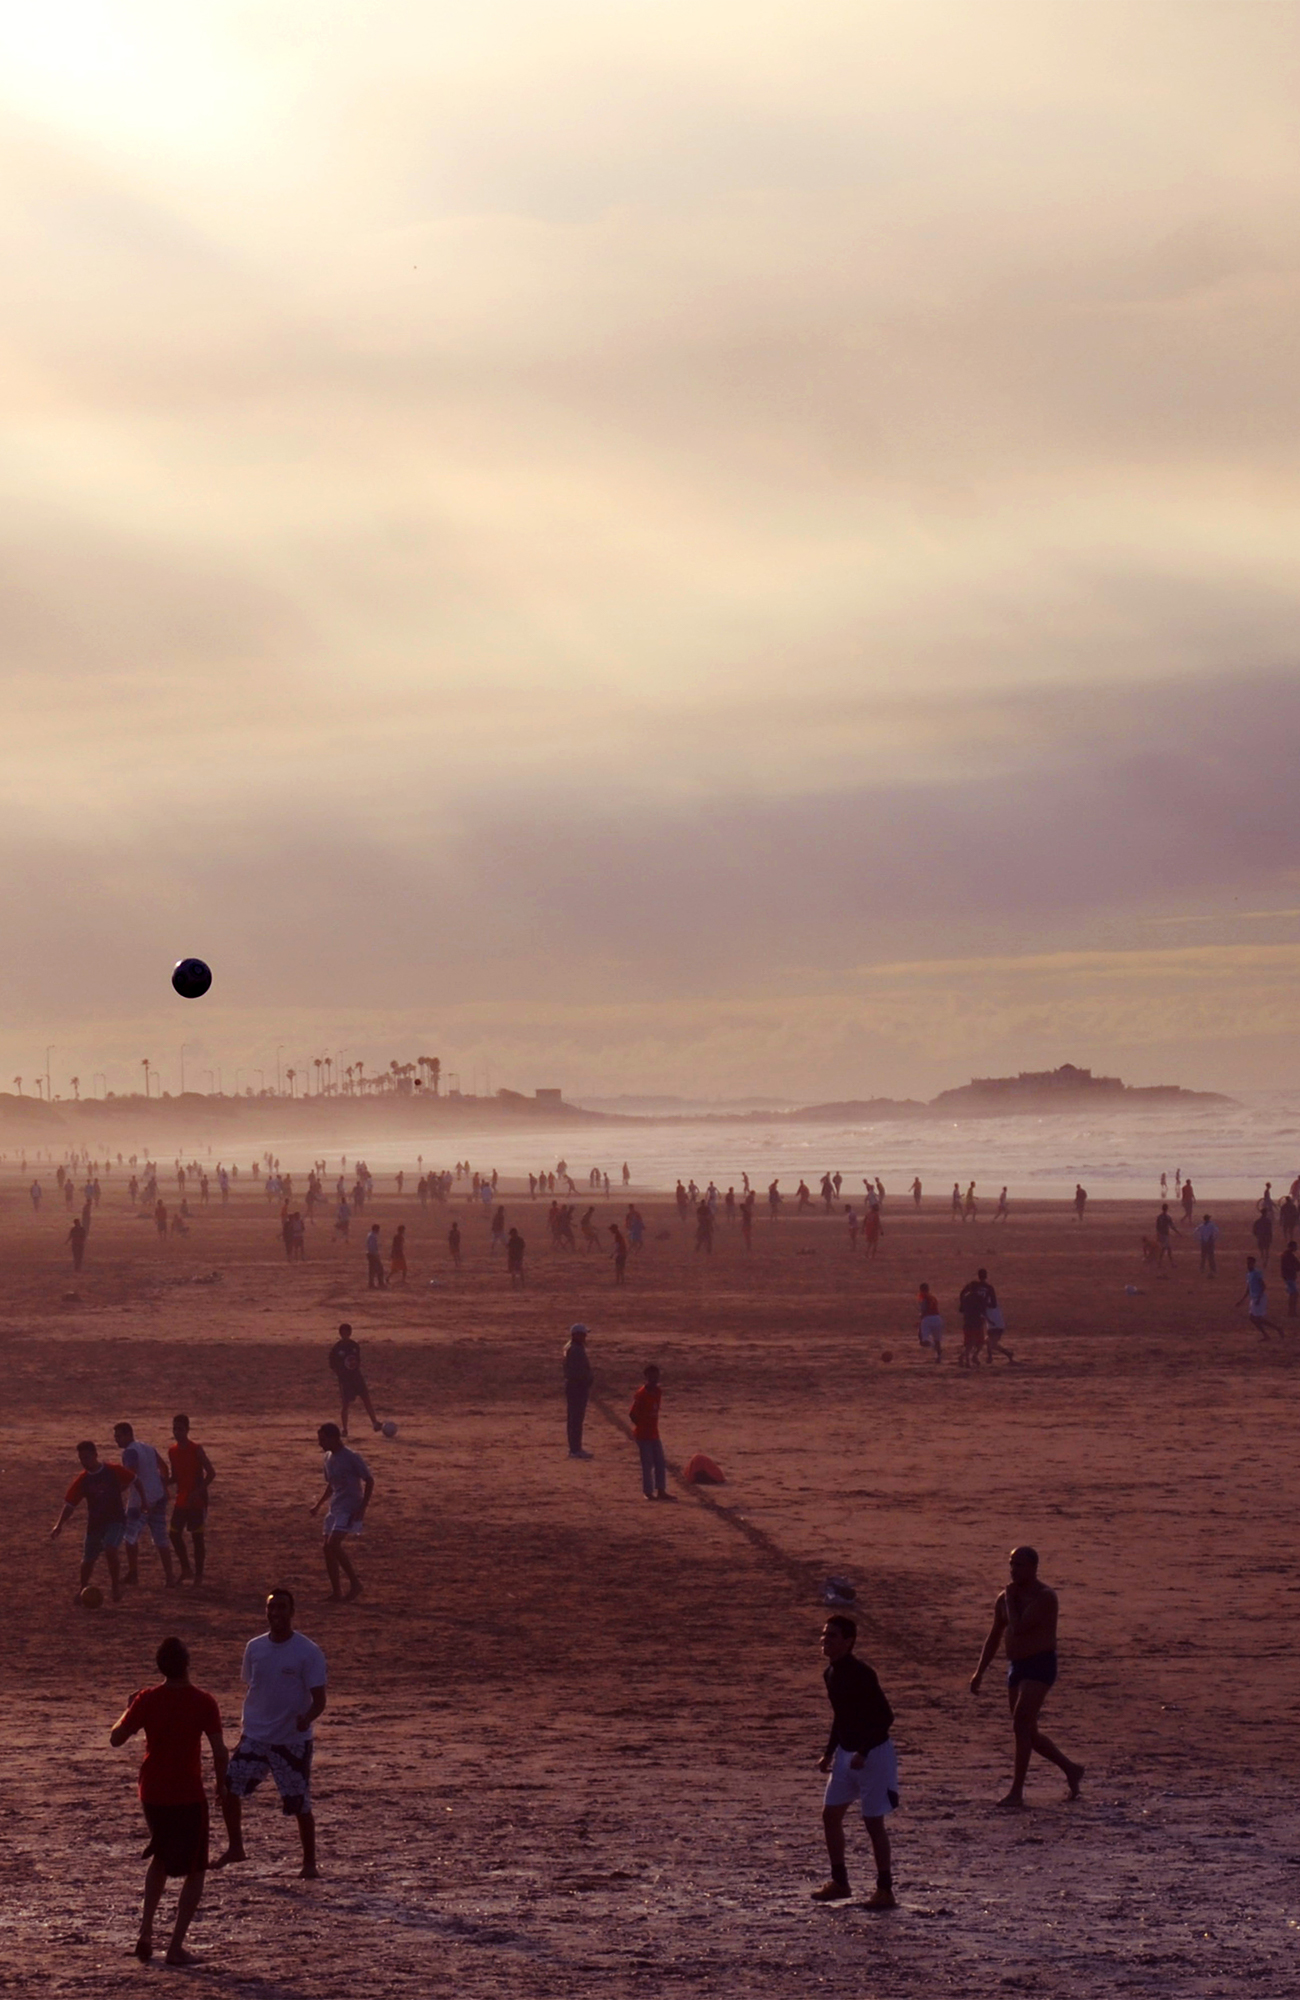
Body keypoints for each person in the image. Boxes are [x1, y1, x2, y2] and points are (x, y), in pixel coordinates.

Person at [110, 1636, 228, 1965]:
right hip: (187, 1793)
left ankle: (146, 1932)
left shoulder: (147, 1699)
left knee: (161, 1857)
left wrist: (129, 1708)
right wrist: (221, 1786)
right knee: (196, 1869)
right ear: (187, 1664)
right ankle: (175, 1947)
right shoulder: (204, 1701)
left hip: (152, 1792)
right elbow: (220, 1751)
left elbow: (116, 1739)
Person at [215, 1590, 327, 1879]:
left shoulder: (308, 1651)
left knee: (299, 1802)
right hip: (255, 1736)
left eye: (281, 1607)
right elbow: (254, 1686)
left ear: (292, 1611)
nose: (275, 1613)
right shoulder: (254, 1648)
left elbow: (319, 1700)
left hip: (291, 1740)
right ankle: (236, 1847)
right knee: (228, 1788)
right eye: (271, 1607)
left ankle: (309, 1862)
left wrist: (306, 1719)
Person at [970, 1546, 1083, 1807]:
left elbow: (1019, 1627)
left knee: (1021, 1723)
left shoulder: (1044, 1597)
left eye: (1019, 1565)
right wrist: (980, 1671)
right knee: (1028, 1732)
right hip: (1016, 1666)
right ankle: (1071, 1768)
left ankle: (1016, 1792)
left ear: (1033, 1567)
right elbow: (995, 1636)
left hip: (1040, 1665)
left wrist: (1010, 1599)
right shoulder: (1005, 1598)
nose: (1013, 1570)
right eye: (1011, 1564)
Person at [811, 1614, 898, 1907]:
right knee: (830, 1816)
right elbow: (841, 1716)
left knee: (873, 1822)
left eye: (832, 1635)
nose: (825, 1640)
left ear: (848, 1642)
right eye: (824, 1634)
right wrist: (829, 1752)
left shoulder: (862, 1674)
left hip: (874, 1755)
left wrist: (864, 1750)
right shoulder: (830, 1673)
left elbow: (885, 1717)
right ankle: (840, 1882)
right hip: (846, 1755)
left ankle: (885, 1890)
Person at [51, 1440, 135, 1603]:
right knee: (88, 1560)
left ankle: (115, 1586)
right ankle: (82, 1587)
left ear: (96, 1455)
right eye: (81, 1459)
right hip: (95, 1523)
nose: (84, 1462)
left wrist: (144, 1501)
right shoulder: (83, 1480)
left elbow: (134, 1479)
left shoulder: (112, 1470)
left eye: (87, 1458)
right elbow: (70, 1504)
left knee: (111, 1550)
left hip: (116, 1520)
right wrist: (59, 1525)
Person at [309, 1423, 373, 1600]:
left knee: (333, 1544)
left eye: (323, 1439)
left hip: (350, 1506)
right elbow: (332, 1485)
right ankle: (336, 1591)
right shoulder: (328, 1458)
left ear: (335, 1438)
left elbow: (369, 1481)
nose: (320, 1443)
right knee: (327, 1548)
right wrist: (319, 1505)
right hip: (335, 1507)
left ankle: (355, 1583)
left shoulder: (351, 1457)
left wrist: (362, 1507)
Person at [114, 1422, 176, 1587]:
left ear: (128, 1435)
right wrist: (163, 1487)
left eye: (119, 1436)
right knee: (160, 1538)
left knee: (130, 1537)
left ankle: (133, 1573)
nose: (116, 1439)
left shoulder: (130, 1452)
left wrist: (115, 1491)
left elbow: (130, 1476)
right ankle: (170, 1576)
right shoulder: (148, 1448)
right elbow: (164, 1468)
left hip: (140, 1501)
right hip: (158, 1497)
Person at [168, 1415, 215, 1586]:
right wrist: (162, 1481)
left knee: (197, 1538)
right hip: (182, 1498)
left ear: (187, 1430)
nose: (177, 1432)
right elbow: (175, 1476)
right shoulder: (172, 1451)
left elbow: (211, 1473)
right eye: (175, 1429)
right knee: (174, 1534)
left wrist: (198, 1492)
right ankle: (186, 1568)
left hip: (197, 1501)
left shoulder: (196, 1449)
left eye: (180, 1429)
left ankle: (199, 1575)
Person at [328, 1323, 382, 1436]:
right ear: (340, 1333)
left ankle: (375, 1422)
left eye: (347, 1332)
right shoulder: (337, 1348)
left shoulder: (354, 1346)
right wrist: (340, 1374)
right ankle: (345, 1429)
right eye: (343, 1333)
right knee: (345, 1404)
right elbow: (332, 1364)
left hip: (357, 1377)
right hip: (345, 1379)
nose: (345, 1335)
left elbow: (357, 1361)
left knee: (366, 1399)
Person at [630, 1363, 668, 1500]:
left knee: (660, 1462)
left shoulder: (658, 1392)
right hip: (643, 1435)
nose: (654, 1379)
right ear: (646, 1377)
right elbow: (632, 1414)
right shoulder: (641, 1394)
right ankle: (648, 1492)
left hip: (654, 1434)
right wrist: (642, 1426)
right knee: (647, 1465)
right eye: (651, 1376)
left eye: (656, 1376)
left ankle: (661, 1490)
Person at [563, 1323, 594, 1458]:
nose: (585, 1337)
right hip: (577, 1387)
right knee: (576, 1419)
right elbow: (579, 1372)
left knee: (574, 1419)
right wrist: (586, 1381)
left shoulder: (570, 1347)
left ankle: (575, 1448)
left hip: (574, 1387)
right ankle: (575, 1449)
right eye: (583, 1334)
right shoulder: (576, 1350)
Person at [1236, 1255, 1282, 1339]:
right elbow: (1248, 1289)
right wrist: (1241, 1301)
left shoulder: (1256, 1273)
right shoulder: (1249, 1274)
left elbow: (1263, 1286)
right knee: (1254, 1319)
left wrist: (1259, 1298)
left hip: (1259, 1298)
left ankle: (1275, 1330)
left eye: (1250, 1263)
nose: (1248, 1265)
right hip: (1254, 1298)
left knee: (1256, 1318)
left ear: (1253, 1263)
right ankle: (1270, 1332)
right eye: (1247, 1263)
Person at [978, 1270, 1014, 1363]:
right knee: (988, 1339)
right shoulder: (987, 1289)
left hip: (995, 1319)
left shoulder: (986, 1290)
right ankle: (991, 1357)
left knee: (991, 1342)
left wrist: (983, 1304)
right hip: (993, 1319)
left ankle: (1007, 1353)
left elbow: (992, 1304)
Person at [957, 1277, 986, 1369]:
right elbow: (983, 1309)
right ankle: (973, 1356)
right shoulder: (979, 1298)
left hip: (968, 1322)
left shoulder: (965, 1298)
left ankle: (966, 1359)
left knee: (969, 1343)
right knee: (980, 1342)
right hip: (977, 1322)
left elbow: (961, 1309)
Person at [917, 1283, 943, 1363]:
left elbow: (924, 1310)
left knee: (923, 1340)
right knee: (937, 1340)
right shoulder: (933, 1297)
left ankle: (933, 1346)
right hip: (938, 1318)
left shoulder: (924, 1298)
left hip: (928, 1319)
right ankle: (939, 1356)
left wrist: (920, 1321)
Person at [1154, 1204, 1179, 1269]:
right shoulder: (1167, 1217)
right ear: (1167, 1209)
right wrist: (1178, 1233)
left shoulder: (1159, 1217)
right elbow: (1172, 1226)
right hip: (1165, 1235)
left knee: (1165, 1249)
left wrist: (1158, 1234)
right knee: (1166, 1249)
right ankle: (1168, 1263)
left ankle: (1162, 1263)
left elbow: (1157, 1227)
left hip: (1161, 1234)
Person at [1195, 1212, 1219, 1277]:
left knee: (1203, 1256)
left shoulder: (1201, 1226)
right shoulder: (1211, 1225)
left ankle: (1202, 1268)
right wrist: (1214, 1238)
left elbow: (1195, 1232)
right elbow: (1217, 1232)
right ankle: (1213, 1269)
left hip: (1203, 1242)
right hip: (1210, 1242)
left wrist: (1199, 1239)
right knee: (1211, 1256)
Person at [1281, 1239, 1300, 1320]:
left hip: (1289, 1277)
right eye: (1295, 1246)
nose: (1296, 1248)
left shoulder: (1287, 1255)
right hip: (1289, 1277)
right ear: (1291, 1246)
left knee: (1293, 1294)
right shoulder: (1288, 1255)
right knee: (1294, 1294)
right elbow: (1292, 1266)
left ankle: (1292, 1312)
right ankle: (1292, 1312)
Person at [365, 1223, 386, 1289]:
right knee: (379, 1269)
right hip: (373, 1254)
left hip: (371, 1254)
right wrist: (376, 1254)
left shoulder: (370, 1235)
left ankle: (371, 1283)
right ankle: (380, 1283)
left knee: (372, 1270)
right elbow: (372, 1247)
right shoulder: (372, 1236)